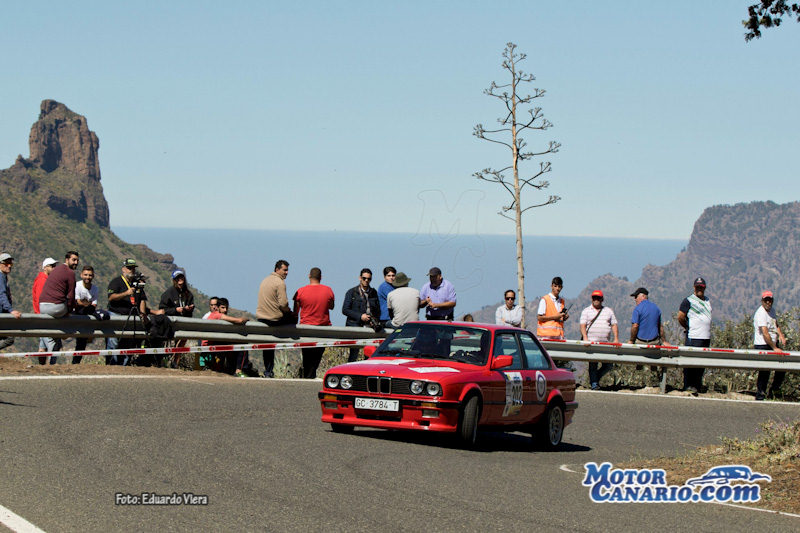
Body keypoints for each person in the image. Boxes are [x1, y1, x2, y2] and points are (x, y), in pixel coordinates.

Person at [106, 258, 162, 365]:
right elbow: (111, 297)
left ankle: (124, 365)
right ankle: (111, 364)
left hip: (132, 316)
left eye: (133, 268)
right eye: (129, 268)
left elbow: (142, 299)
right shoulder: (116, 282)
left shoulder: (136, 283)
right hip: (117, 315)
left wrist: (142, 314)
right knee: (113, 342)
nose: (131, 270)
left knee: (128, 343)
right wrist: (126, 293)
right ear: (123, 269)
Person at [293, 267, 335, 378]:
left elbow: (295, 311)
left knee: (307, 357)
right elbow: (331, 306)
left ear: (309, 276)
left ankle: (307, 375)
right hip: (322, 329)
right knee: (316, 358)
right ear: (321, 277)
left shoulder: (300, 291)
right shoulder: (328, 290)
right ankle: (310, 375)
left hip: (306, 329)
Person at [39, 251, 81, 360]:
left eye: (77, 260)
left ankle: (51, 359)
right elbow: (71, 296)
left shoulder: (56, 270)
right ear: (67, 260)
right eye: (73, 260)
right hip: (56, 307)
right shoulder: (70, 273)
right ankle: (65, 333)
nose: (76, 262)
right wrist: (69, 311)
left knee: (53, 338)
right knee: (71, 315)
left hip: (42, 306)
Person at [257, 259, 295, 377]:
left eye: (287, 270)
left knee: (268, 345)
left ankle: (268, 371)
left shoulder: (265, 280)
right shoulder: (280, 283)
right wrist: (290, 312)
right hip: (274, 319)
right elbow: (283, 304)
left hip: (261, 318)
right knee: (293, 319)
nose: (286, 273)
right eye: (285, 270)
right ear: (277, 269)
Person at [677, 277, 711, 394]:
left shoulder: (707, 300)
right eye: (697, 287)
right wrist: (688, 327)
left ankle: (697, 385)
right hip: (694, 336)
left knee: (701, 363)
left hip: (705, 337)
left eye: (701, 287)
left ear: (704, 288)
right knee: (691, 362)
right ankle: (688, 385)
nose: (699, 289)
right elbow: (680, 316)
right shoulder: (688, 300)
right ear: (694, 287)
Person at [579, 290, 619, 390]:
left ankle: (595, 379)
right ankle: (594, 384)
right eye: (594, 298)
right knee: (593, 365)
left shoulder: (608, 311)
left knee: (608, 365)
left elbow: (614, 324)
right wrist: (585, 338)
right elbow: (583, 325)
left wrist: (616, 338)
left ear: (602, 299)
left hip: (605, 344)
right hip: (591, 343)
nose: (596, 300)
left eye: (598, 298)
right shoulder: (586, 311)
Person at [753, 290, 787, 400]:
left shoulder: (772, 311)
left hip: (773, 344)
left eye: (770, 300)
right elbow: (765, 333)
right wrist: (774, 348)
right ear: (762, 301)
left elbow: (775, 324)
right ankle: (760, 394)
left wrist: (781, 335)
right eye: (766, 300)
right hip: (763, 344)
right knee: (764, 371)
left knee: (782, 365)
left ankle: (774, 390)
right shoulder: (761, 313)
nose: (768, 302)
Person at [342, 268, 380, 361]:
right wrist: (360, 316)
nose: (366, 280)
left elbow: (378, 310)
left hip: (370, 328)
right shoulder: (352, 292)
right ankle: (350, 370)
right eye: (364, 278)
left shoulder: (374, 293)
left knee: (369, 354)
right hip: (355, 326)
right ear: (360, 278)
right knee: (354, 353)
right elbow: (345, 310)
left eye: (369, 279)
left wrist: (374, 320)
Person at [206, 297, 250, 376]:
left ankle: (231, 369)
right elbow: (239, 321)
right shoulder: (218, 315)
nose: (225, 310)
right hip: (213, 343)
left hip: (216, 341)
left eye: (226, 308)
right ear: (217, 307)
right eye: (223, 308)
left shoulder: (212, 315)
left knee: (232, 345)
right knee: (242, 345)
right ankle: (238, 370)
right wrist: (246, 319)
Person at [31, 257, 58, 363]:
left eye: (55, 266)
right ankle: (52, 365)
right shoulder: (43, 280)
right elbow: (40, 299)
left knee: (43, 346)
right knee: (52, 343)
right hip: (43, 316)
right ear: (45, 267)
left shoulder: (45, 279)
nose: (54, 268)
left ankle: (41, 366)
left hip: (42, 315)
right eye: (52, 266)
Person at [73, 265, 100, 364]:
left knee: (82, 342)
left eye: (90, 275)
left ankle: (76, 363)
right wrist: (87, 304)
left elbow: (94, 304)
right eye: (85, 275)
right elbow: (77, 302)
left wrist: (85, 304)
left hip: (87, 316)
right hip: (76, 314)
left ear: (93, 276)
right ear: (81, 275)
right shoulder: (77, 286)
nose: (87, 277)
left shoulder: (95, 289)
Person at [0, 252, 22, 350]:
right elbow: (1, 295)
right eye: (6, 263)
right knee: (9, 338)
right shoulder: (1, 277)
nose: (9, 266)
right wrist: (10, 310)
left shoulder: (3, 277)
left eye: (10, 264)